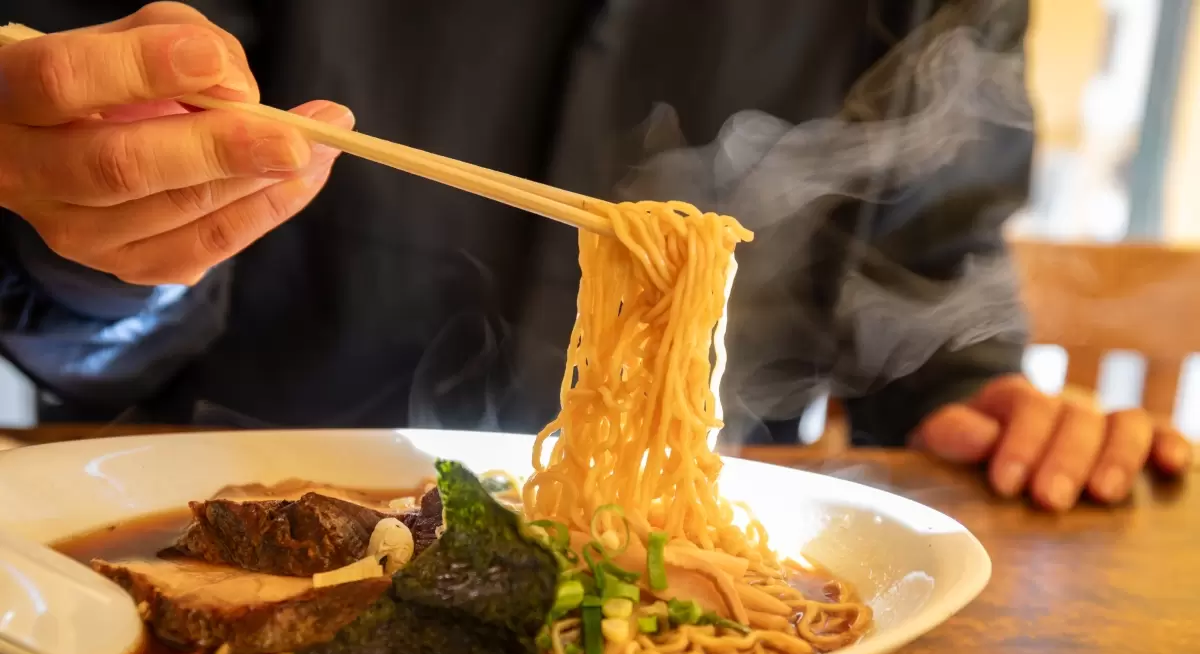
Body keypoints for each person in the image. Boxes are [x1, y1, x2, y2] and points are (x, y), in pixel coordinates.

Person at [0, 1, 1190, 512]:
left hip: (709, 585)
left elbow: (932, 270)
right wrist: (100, 238)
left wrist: (975, 399)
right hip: (219, 503)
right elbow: (99, 210)